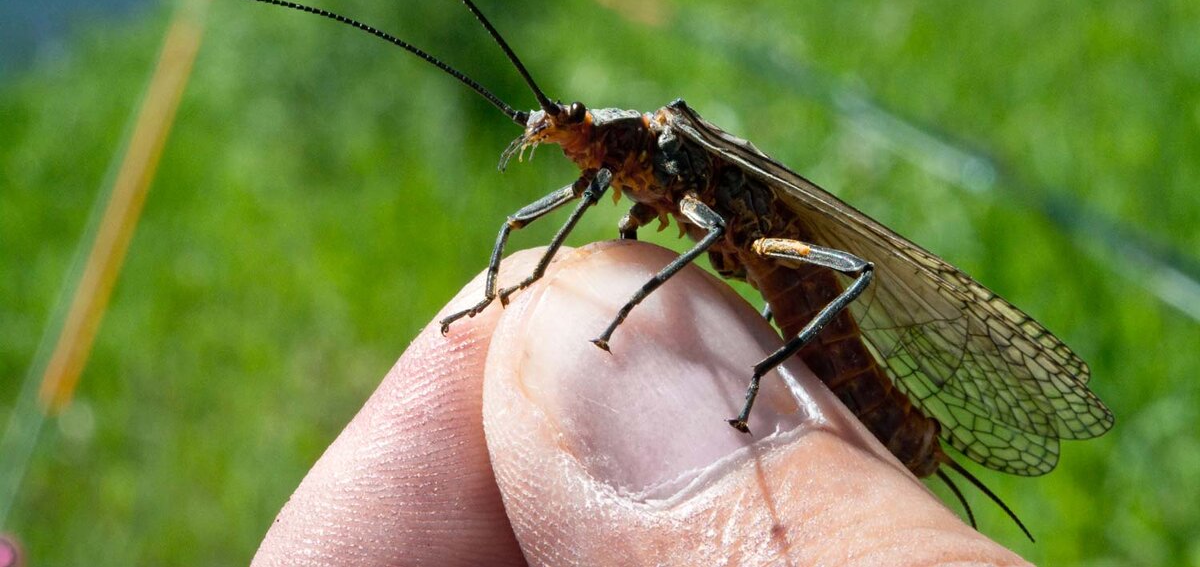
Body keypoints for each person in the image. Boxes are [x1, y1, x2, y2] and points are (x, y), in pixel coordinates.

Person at [252, 242, 1030, 566]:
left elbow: (706, 245)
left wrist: (629, 316)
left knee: (849, 271)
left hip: (795, 271)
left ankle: (904, 432)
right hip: (760, 268)